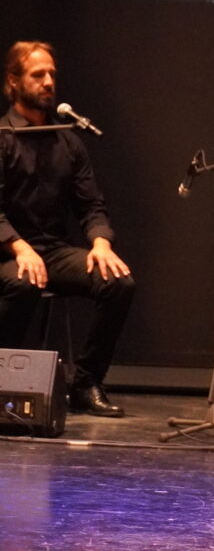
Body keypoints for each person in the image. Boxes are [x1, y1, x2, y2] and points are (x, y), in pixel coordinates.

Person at [0, 40, 135, 418]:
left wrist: (101, 243)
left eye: (51, 75)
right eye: (37, 75)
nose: (47, 82)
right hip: (7, 253)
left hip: (52, 251)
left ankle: (86, 383)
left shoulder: (69, 141)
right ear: (13, 82)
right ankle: (2, 383)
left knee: (118, 282)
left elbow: (91, 205)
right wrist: (18, 247)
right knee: (24, 281)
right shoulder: (3, 138)